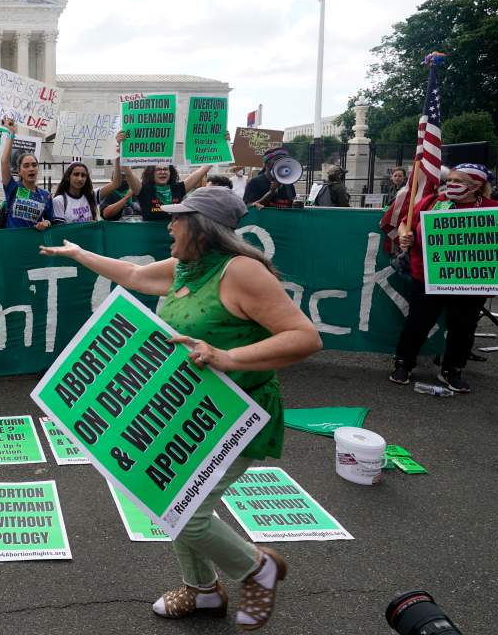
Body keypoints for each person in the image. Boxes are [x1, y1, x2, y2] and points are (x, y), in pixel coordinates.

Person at [39, 186, 321, 629]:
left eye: (178, 218)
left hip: (238, 414)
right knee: (171, 501)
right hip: (191, 412)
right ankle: (203, 592)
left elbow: (306, 338)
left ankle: (256, 568)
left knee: (187, 511)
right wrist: (80, 255)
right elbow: (134, 277)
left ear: (202, 227)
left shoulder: (241, 271)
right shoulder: (188, 266)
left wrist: (228, 358)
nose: (169, 225)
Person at [389, 164, 498, 393]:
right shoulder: (433, 202)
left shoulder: (494, 208)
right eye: (449, 181)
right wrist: (405, 237)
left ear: (477, 186)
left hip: (470, 281)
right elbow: (405, 224)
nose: (450, 185)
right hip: (429, 275)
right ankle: (404, 364)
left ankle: (453, 370)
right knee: (418, 322)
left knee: (463, 326)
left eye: (458, 182)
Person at [0, 118, 51, 231]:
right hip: (12, 243)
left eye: (34, 165)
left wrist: (47, 223)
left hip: (33, 244)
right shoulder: (13, 188)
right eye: (26, 166)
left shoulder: (46, 196)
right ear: (19, 171)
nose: (31, 169)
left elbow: (53, 221)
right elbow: (4, 163)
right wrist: (11, 134)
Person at [138, 163, 212, 221]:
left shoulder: (178, 188)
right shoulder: (144, 190)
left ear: (171, 172)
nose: (162, 172)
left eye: (166, 169)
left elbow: (202, 170)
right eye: (158, 169)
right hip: (149, 235)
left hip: (175, 235)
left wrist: (216, 155)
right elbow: (129, 174)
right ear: (151, 173)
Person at [100, 144, 144, 222]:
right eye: (120, 176)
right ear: (113, 178)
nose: (123, 179)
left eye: (125, 176)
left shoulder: (137, 190)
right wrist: (126, 198)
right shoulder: (109, 193)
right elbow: (106, 214)